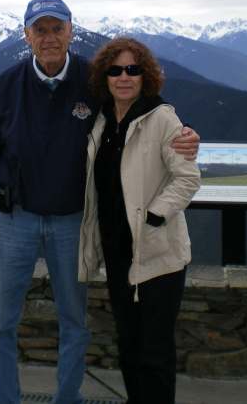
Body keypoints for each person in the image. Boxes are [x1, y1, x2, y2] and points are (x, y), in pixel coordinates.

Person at [0, 0, 199, 404]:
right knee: (2, 321)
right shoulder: (4, 87)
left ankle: (67, 397)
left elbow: (138, 108)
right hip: (13, 218)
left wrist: (185, 132)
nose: (49, 38)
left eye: (57, 28)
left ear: (71, 31)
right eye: (40, 30)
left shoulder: (94, 80)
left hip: (72, 220)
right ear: (26, 35)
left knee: (74, 320)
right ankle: (5, 399)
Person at [78, 37, 201, 404]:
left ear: (145, 75)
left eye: (132, 69)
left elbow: (188, 178)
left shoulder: (161, 118)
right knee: (129, 345)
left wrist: (154, 216)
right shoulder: (101, 120)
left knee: (155, 351)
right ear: (105, 77)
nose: (124, 77)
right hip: (118, 253)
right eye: (115, 70)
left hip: (157, 252)